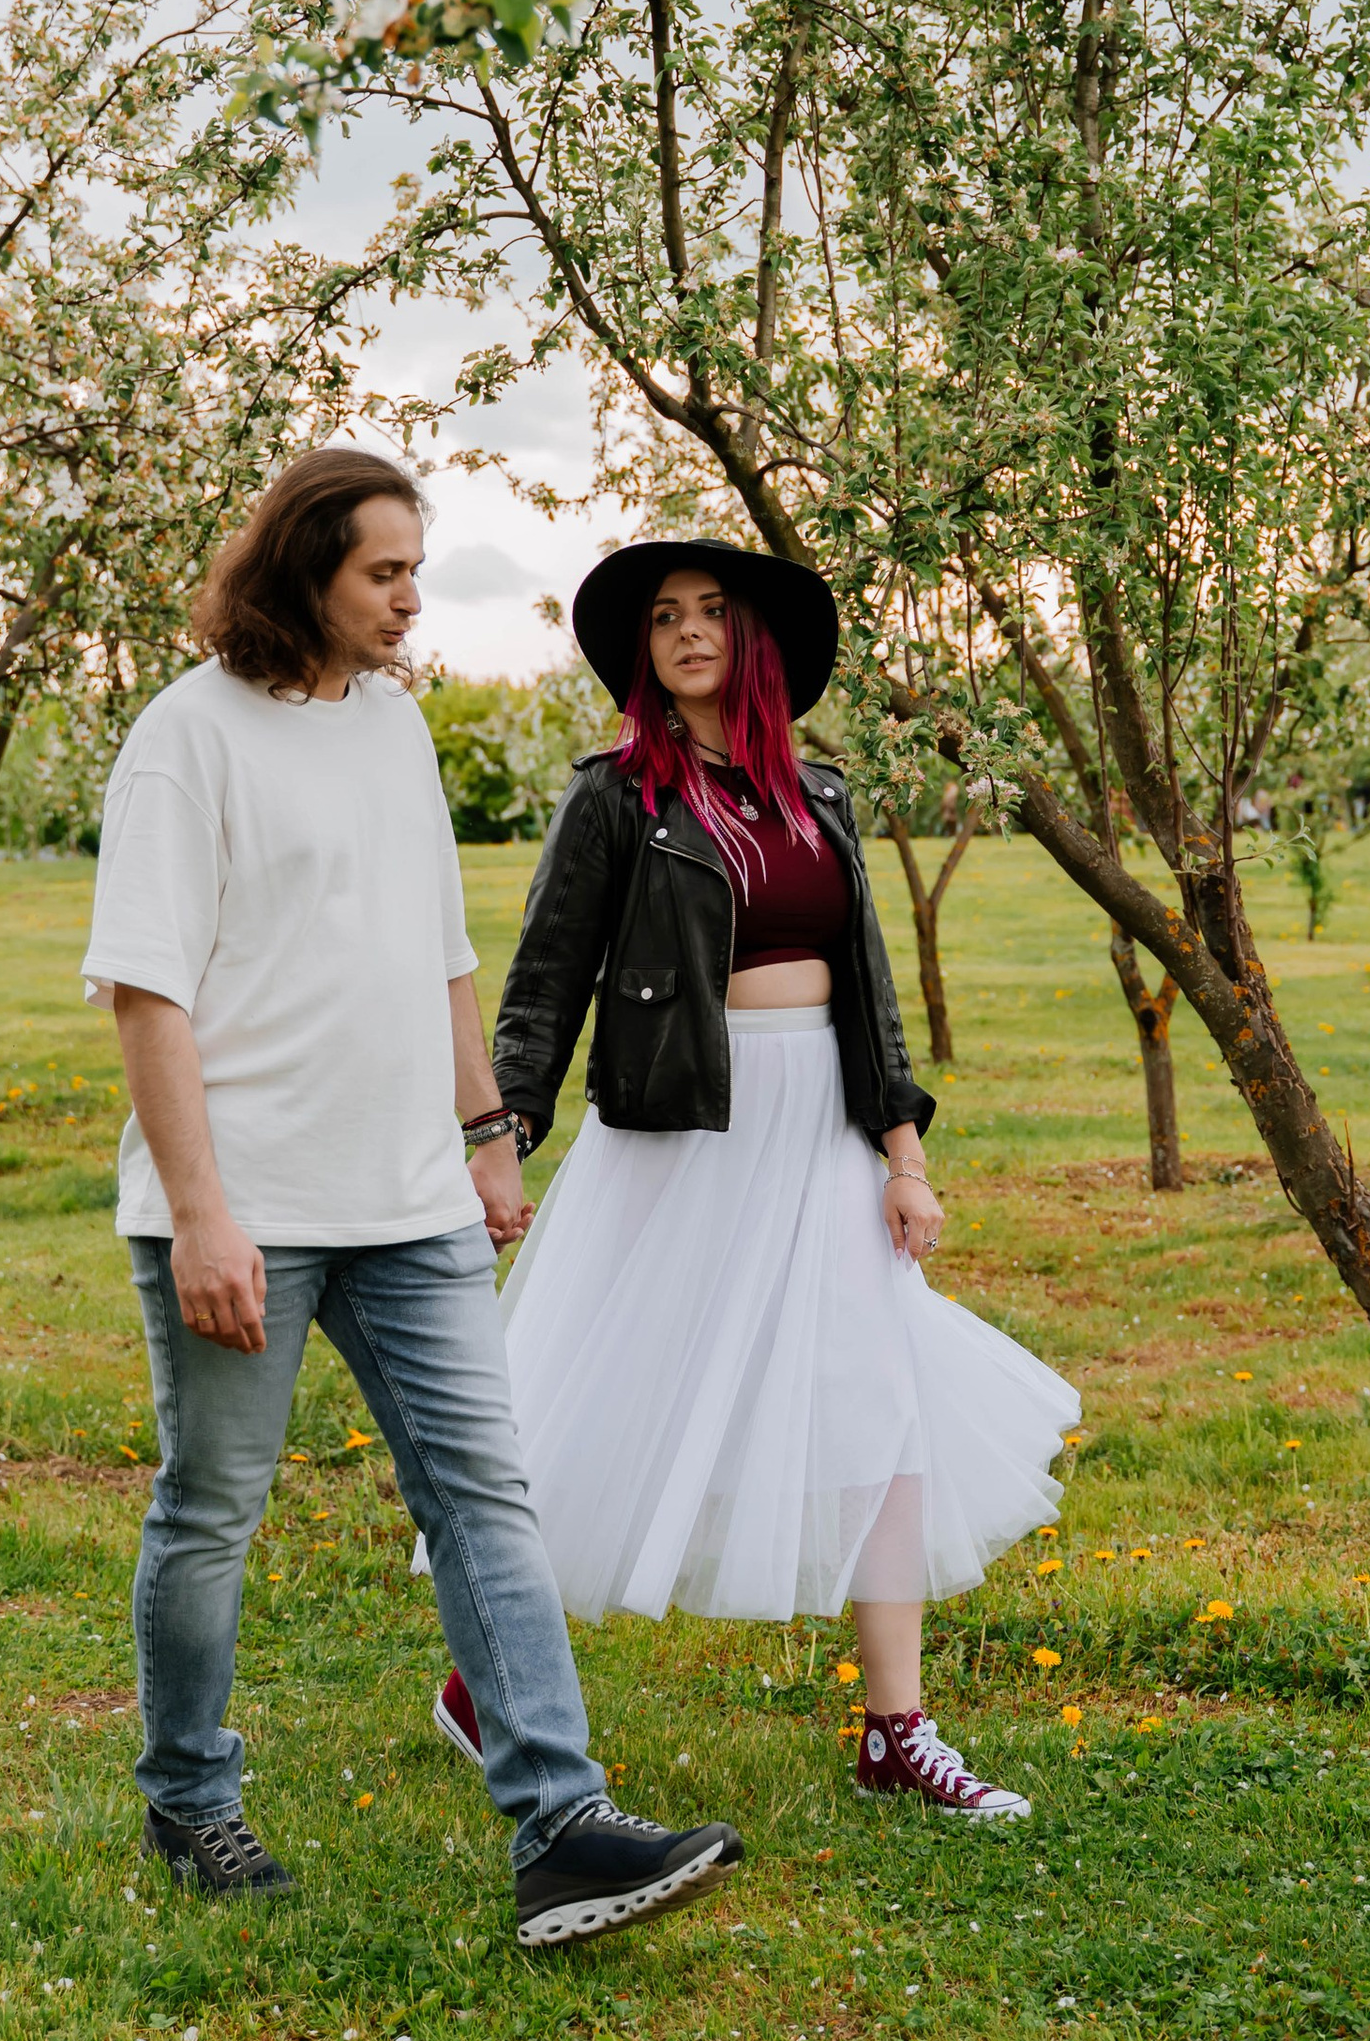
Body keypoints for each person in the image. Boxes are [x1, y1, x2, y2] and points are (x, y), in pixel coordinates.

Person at [82, 449, 744, 1947]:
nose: (407, 600)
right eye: (383, 571)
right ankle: (189, 1796)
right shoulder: (187, 741)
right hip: (248, 1205)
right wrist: (201, 1214)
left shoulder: (391, 726)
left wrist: (486, 1131)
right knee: (213, 1511)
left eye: (413, 571)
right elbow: (145, 996)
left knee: (482, 1496)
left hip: (412, 1201)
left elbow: (449, 952)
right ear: (304, 568)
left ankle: (561, 1821)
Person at [435, 537, 1076, 1822]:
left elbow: (871, 1002)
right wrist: (497, 1136)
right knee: (607, 1398)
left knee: (880, 1404)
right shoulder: (616, 793)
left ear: (751, 639)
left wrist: (904, 1155)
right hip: (677, 1134)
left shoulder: (817, 796)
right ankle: (481, 1678)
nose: (683, 635)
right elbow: (544, 983)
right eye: (663, 618)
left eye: (710, 614)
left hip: (819, 1141)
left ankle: (896, 1730)